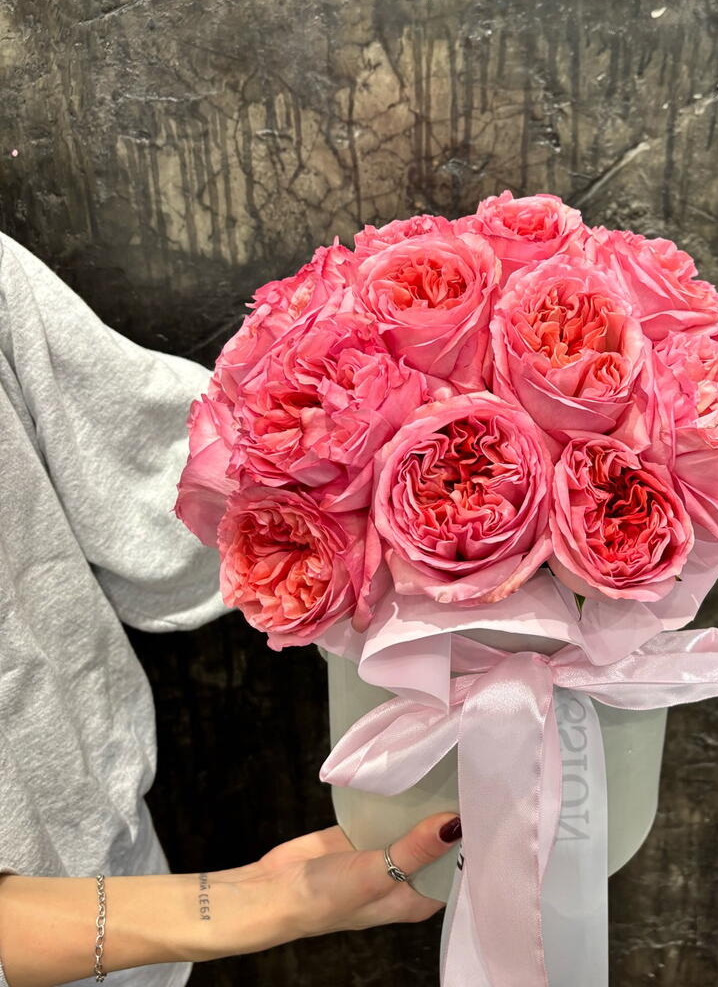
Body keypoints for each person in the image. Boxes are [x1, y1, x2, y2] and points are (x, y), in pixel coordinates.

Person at [0, 233, 460, 987]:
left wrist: (456, 447)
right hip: (139, 914)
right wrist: (248, 904)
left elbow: (189, 483)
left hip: (108, 880)